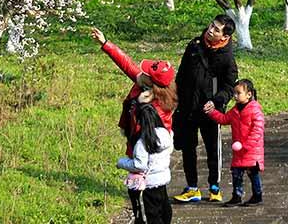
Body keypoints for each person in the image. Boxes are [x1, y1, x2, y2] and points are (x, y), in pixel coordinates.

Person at [171, 15, 239, 203]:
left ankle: (214, 187)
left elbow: (229, 86)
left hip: (210, 111)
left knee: (213, 149)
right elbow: (181, 74)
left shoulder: (227, 57)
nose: (210, 30)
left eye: (216, 30)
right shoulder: (194, 46)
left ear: (224, 37)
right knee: (187, 148)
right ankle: (192, 187)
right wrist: (176, 98)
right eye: (211, 25)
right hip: (187, 106)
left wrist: (217, 101)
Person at [91, 27, 177, 156]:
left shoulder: (157, 109)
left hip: (147, 150)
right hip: (136, 142)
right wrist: (105, 43)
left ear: (152, 83)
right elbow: (127, 64)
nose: (142, 72)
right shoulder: (144, 84)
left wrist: (130, 160)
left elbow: (150, 141)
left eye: (146, 73)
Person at [203, 78, 265, 207]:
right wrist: (212, 112)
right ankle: (237, 196)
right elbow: (224, 119)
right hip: (239, 152)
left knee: (253, 174)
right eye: (234, 93)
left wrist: (246, 145)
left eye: (238, 93)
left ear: (249, 94)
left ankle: (257, 196)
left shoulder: (255, 110)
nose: (235, 96)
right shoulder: (235, 111)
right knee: (236, 174)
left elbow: (258, 130)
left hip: (251, 151)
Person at [117, 103, 174, 224]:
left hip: (147, 185)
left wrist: (122, 162)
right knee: (164, 213)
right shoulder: (166, 135)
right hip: (161, 182)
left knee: (148, 217)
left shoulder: (142, 142)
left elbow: (139, 165)